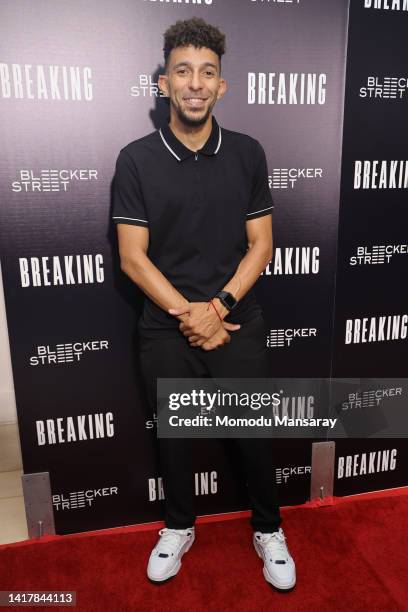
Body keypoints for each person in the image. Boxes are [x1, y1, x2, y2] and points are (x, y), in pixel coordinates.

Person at [112, 17, 296, 591]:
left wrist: (217, 307)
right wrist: (191, 315)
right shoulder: (136, 159)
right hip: (166, 325)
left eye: (207, 72)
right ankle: (178, 525)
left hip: (236, 316)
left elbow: (262, 243)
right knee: (173, 433)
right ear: (163, 83)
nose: (195, 83)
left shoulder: (247, 152)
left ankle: (268, 528)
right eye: (183, 71)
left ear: (222, 86)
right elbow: (133, 258)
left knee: (254, 434)